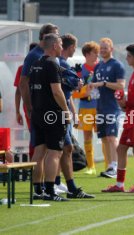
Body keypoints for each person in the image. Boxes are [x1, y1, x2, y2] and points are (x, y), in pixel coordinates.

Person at [102, 44, 134, 193]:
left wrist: (126, 103)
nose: (127, 58)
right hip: (131, 118)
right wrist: (124, 104)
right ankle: (119, 184)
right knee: (121, 149)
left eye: (129, 56)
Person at [29, 33, 69, 201]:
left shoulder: (35, 64)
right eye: (60, 44)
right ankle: (51, 191)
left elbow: (31, 89)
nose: (61, 47)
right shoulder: (52, 64)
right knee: (55, 153)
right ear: (54, 46)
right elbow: (56, 91)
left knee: (39, 152)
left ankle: (38, 190)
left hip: (37, 113)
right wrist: (66, 110)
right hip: (52, 114)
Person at [56, 33, 94, 198]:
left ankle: (59, 184)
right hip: (57, 113)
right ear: (71, 47)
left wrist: (72, 113)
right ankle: (55, 185)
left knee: (63, 148)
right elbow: (77, 87)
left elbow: (69, 93)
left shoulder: (57, 63)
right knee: (59, 149)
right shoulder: (61, 64)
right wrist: (81, 79)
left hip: (60, 112)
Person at [92, 37, 126, 178]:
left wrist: (104, 84)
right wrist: (91, 88)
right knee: (104, 138)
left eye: (105, 47)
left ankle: (115, 167)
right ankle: (110, 165)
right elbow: (94, 84)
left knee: (112, 137)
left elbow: (121, 86)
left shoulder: (117, 65)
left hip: (113, 107)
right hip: (100, 106)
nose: (103, 50)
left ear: (111, 49)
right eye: (101, 48)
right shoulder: (98, 66)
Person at [72, 41, 107, 175]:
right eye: (95, 53)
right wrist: (84, 92)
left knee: (104, 137)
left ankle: (108, 166)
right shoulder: (80, 70)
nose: (97, 55)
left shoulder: (102, 68)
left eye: (98, 53)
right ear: (87, 54)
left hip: (100, 107)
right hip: (85, 107)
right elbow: (73, 92)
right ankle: (91, 166)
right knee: (87, 137)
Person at [14, 42, 38, 159]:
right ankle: (34, 163)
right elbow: (18, 91)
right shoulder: (22, 69)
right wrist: (17, 111)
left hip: (44, 105)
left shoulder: (45, 66)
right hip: (30, 107)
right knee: (34, 133)